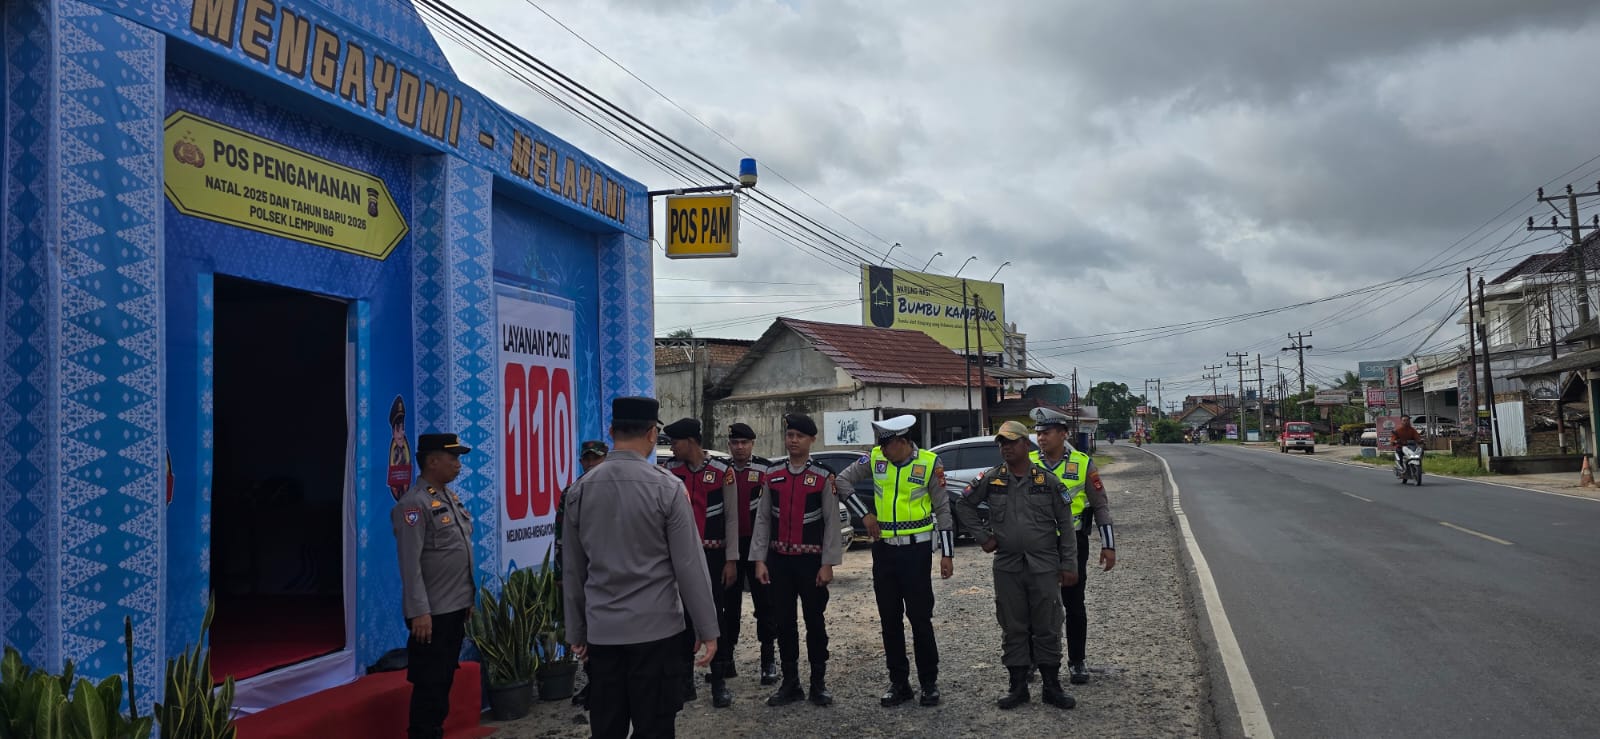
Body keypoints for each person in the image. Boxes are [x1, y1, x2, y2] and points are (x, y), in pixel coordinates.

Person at [563, 397, 719, 739]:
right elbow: (689, 566)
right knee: (655, 727)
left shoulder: (580, 491)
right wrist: (707, 628)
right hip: (657, 632)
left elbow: (573, 570)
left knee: (607, 727)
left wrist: (576, 632)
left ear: (611, 431)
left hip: (603, 633)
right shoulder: (667, 488)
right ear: (651, 433)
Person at [952, 421, 1079, 711]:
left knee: (1048, 624)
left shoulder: (1047, 481)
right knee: (1012, 625)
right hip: (1008, 565)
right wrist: (983, 537)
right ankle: (1018, 687)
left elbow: (1066, 525)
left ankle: (1051, 686)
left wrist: (1069, 564)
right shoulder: (993, 478)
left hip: (1044, 564)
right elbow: (963, 505)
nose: (1005, 448)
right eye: (1001, 443)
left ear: (1025, 444)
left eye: (1011, 442)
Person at [835, 414, 954, 708]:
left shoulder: (929, 463)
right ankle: (899, 683)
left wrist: (947, 554)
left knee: (920, 619)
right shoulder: (876, 458)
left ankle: (929, 683)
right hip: (884, 551)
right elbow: (842, 480)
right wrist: (865, 514)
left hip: (916, 553)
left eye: (886, 444)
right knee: (889, 619)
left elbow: (943, 509)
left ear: (902, 442)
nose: (882, 449)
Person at [751, 413, 842, 707]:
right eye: (790, 435)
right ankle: (790, 683)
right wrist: (759, 559)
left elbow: (832, 523)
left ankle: (818, 683)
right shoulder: (773, 474)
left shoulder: (823, 477)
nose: (793, 441)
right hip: (779, 561)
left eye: (799, 436)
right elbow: (763, 519)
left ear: (811, 440)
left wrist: (828, 563)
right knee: (784, 623)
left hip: (811, 563)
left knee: (815, 622)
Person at [391, 433, 476, 739]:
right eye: (452, 458)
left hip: (454, 607)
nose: (458, 464)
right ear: (432, 461)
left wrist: (467, 599)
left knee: (443, 680)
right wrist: (419, 612)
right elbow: (410, 564)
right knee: (430, 684)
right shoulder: (414, 505)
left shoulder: (448, 498)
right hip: (431, 614)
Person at [1029, 408, 1116, 686]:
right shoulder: (1029, 462)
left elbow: (1100, 505)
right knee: (1036, 603)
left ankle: (1077, 661)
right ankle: (1033, 660)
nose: (1041, 438)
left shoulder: (1082, 463)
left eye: (1046, 433)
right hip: (1037, 544)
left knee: (1074, 603)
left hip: (1072, 543)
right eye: (1038, 433)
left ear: (1063, 434)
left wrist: (1108, 544)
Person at [661, 418, 740, 707]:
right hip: (679, 556)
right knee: (681, 616)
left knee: (715, 614)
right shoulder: (669, 471)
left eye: (675, 443)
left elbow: (731, 518)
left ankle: (719, 681)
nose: (672, 448)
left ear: (691, 441)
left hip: (713, 555)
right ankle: (685, 682)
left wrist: (731, 560)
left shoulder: (722, 471)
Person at [724, 422, 779, 685]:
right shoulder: (722, 470)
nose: (739, 447)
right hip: (730, 547)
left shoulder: (765, 469)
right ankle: (726, 659)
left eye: (744, 442)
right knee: (728, 604)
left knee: (765, 603)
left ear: (752, 444)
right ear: (729, 445)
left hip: (759, 547)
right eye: (735, 443)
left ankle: (768, 660)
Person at [556, 440, 608, 709]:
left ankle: (605, 683)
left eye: (595, 458)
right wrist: (561, 572)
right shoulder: (571, 492)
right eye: (586, 459)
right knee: (585, 629)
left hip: (607, 572)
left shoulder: (614, 490)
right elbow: (561, 536)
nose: (590, 463)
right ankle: (593, 681)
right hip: (582, 571)